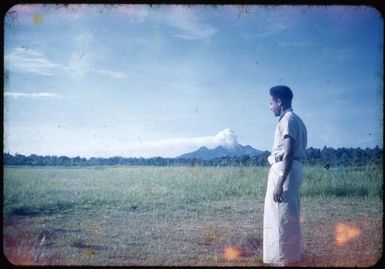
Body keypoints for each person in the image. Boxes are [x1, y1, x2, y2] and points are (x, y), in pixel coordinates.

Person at [263, 85, 307, 266]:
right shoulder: (297, 120)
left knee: (281, 215)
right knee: (286, 214)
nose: (270, 106)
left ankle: (282, 259)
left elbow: (288, 152)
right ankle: (288, 256)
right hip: (290, 168)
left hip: (284, 168)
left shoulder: (288, 120)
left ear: (279, 101)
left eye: (271, 102)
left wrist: (280, 180)